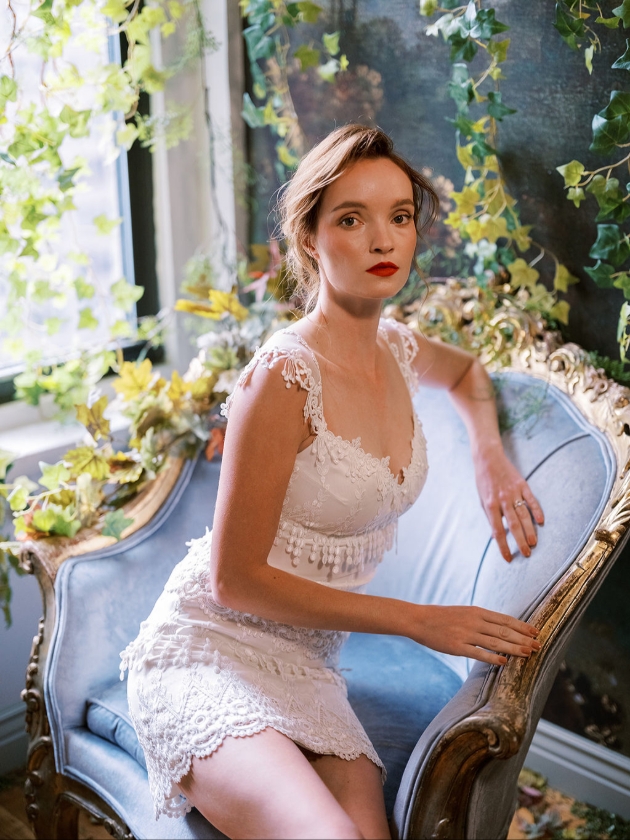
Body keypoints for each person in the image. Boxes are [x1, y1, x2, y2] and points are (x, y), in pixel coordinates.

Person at [120, 124, 544, 840]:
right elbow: (235, 583)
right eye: (352, 218)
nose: (384, 241)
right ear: (311, 240)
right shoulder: (283, 377)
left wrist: (490, 457)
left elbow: (470, 375)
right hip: (208, 651)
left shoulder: (401, 348)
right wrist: (419, 619)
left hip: (308, 664)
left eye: (400, 217)